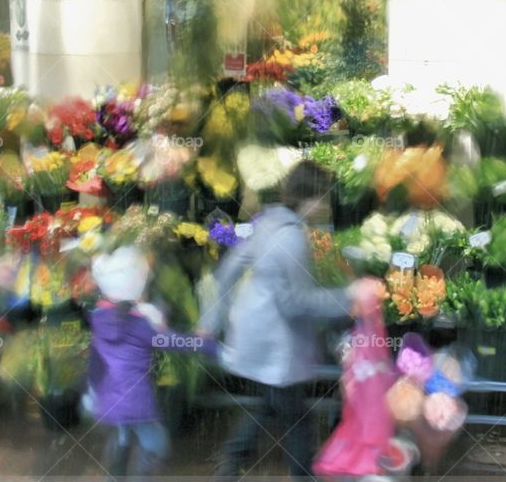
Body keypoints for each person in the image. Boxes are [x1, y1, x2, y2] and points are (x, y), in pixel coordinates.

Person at [202, 160, 380, 479]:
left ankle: (229, 465)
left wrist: (216, 318)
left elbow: (228, 269)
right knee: (298, 419)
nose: (326, 206)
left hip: (253, 335)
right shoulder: (293, 239)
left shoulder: (267, 221)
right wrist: (350, 295)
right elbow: (296, 302)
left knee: (270, 404)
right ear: (307, 199)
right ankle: (294, 475)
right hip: (276, 343)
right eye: (323, 198)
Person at [87, 245, 215, 480]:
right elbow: (175, 342)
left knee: (122, 438)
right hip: (135, 400)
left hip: (109, 399)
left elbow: (95, 359)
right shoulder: (140, 325)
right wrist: (210, 345)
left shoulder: (99, 318)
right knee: (156, 443)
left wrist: (91, 390)